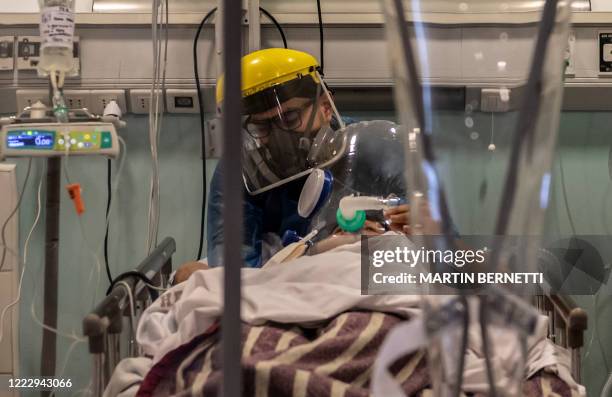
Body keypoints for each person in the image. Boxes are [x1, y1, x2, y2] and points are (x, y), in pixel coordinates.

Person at [206, 48, 349, 268]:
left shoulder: (362, 147)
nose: (278, 136)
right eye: (260, 126)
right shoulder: (238, 173)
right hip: (279, 289)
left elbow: (407, 248)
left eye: (289, 117)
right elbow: (234, 268)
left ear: (326, 107)